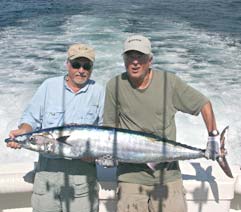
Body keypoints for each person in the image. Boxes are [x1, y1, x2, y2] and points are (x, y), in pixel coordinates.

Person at [103, 35, 220, 212]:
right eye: (130, 57)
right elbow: (109, 128)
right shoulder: (114, 85)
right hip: (130, 177)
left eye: (140, 57)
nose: (135, 62)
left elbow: (204, 104)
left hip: (168, 176)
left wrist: (213, 138)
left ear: (150, 60)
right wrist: (106, 152)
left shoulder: (169, 82)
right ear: (124, 59)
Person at [7, 43, 105, 212]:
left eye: (86, 66)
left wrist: (95, 154)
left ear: (92, 68)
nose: (81, 70)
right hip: (47, 175)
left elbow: (106, 130)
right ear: (67, 64)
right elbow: (31, 119)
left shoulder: (99, 91)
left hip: (82, 176)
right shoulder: (48, 86)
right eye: (76, 65)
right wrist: (23, 131)